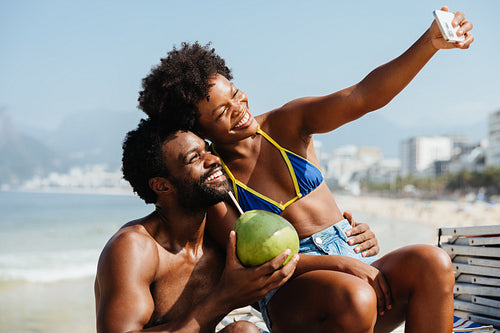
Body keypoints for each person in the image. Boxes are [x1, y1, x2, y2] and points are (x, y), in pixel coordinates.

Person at [138, 6, 473, 332]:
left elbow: (361, 96)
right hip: (293, 290)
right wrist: (341, 263)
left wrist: (429, 42)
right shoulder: (215, 180)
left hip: (355, 269)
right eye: (222, 113)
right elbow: (253, 265)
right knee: (355, 297)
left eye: (236, 95)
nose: (239, 110)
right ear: (201, 131)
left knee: (433, 263)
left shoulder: (286, 124)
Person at [94, 118, 299, 333]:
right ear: (162, 185)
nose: (213, 160)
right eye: (195, 158)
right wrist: (224, 298)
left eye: (208, 150)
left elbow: (281, 267)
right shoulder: (135, 248)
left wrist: (338, 263)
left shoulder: (223, 233)